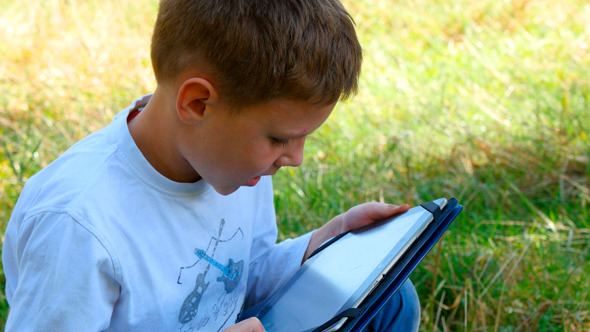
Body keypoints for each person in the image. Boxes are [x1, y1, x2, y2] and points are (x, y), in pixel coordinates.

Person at [2, 0, 420, 330]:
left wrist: (325, 242)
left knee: (391, 299)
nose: (295, 159)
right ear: (197, 103)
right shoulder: (78, 222)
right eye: (280, 138)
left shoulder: (234, 167)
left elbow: (240, 277)